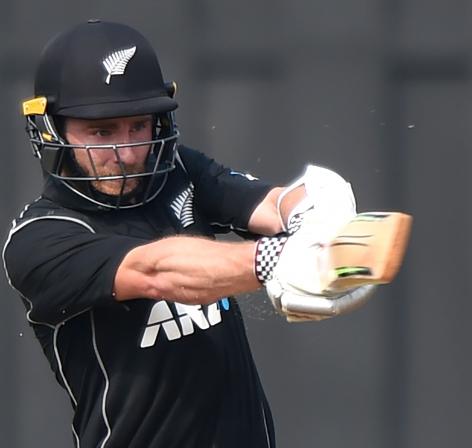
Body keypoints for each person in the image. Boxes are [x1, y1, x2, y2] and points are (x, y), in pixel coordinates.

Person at [3, 20, 374, 447]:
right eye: (101, 132)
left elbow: (274, 205)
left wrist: (319, 211)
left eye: (138, 126)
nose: (126, 153)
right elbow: (157, 272)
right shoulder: (40, 238)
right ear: (50, 128)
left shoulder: (178, 170)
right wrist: (278, 260)